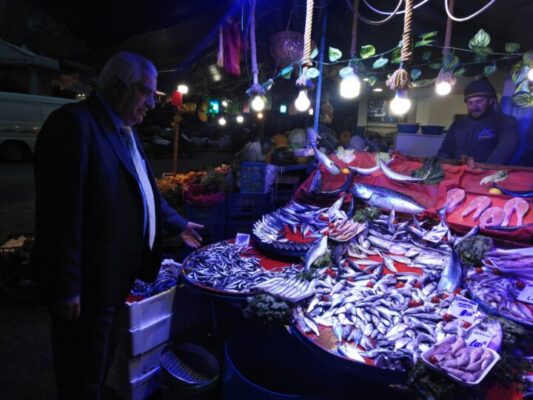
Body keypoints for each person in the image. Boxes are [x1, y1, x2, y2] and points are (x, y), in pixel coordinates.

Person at [33, 52, 204, 399]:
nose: (151, 105)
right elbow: (59, 214)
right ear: (115, 86)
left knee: (99, 355)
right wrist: (67, 287)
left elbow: (144, 190)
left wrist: (177, 222)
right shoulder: (74, 124)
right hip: (87, 282)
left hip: (114, 277)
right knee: (79, 364)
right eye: (146, 92)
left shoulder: (124, 128)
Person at [437, 78, 519, 164]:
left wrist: (481, 169)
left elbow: (504, 151)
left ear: (491, 101)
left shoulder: (506, 122)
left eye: (479, 101)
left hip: (489, 176)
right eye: (470, 103)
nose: (474, 107)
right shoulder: (458, 124)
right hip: (457, 174)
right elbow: (444, 151)